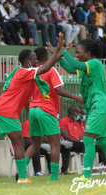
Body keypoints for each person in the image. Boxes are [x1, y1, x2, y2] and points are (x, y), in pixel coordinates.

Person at [0, 36, 62, 184]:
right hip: (6, 111)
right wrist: (56, 52)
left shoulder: (20, 72)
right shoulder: (25, 71)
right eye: (34, 58)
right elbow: (46, 68)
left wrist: (27, 112)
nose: (36, 61)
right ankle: (22, 177)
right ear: (28, 62)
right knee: (19, 144)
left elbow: (22, 97)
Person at [57, 36, 106, 181]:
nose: (76, 55)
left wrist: (64, 50)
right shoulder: (86, 67)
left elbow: (74, 65)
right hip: (100, 106)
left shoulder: (94, 63)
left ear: (88, 53)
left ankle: (86, 175)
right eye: (75, 53)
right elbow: (70, 68)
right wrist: (58, 54)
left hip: (100, 106)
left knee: (88, 140)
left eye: (78, 52)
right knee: (101, 142)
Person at [24, 46, 82, 181]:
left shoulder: (33, 71)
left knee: (35, 144)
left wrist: (60, 55)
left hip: (33, 109)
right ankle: (54, 177)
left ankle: (21, 172)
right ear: (46, 58)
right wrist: (77, 98)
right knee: (55, 144)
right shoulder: (51, 70)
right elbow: (59, 91)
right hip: (46, 109)